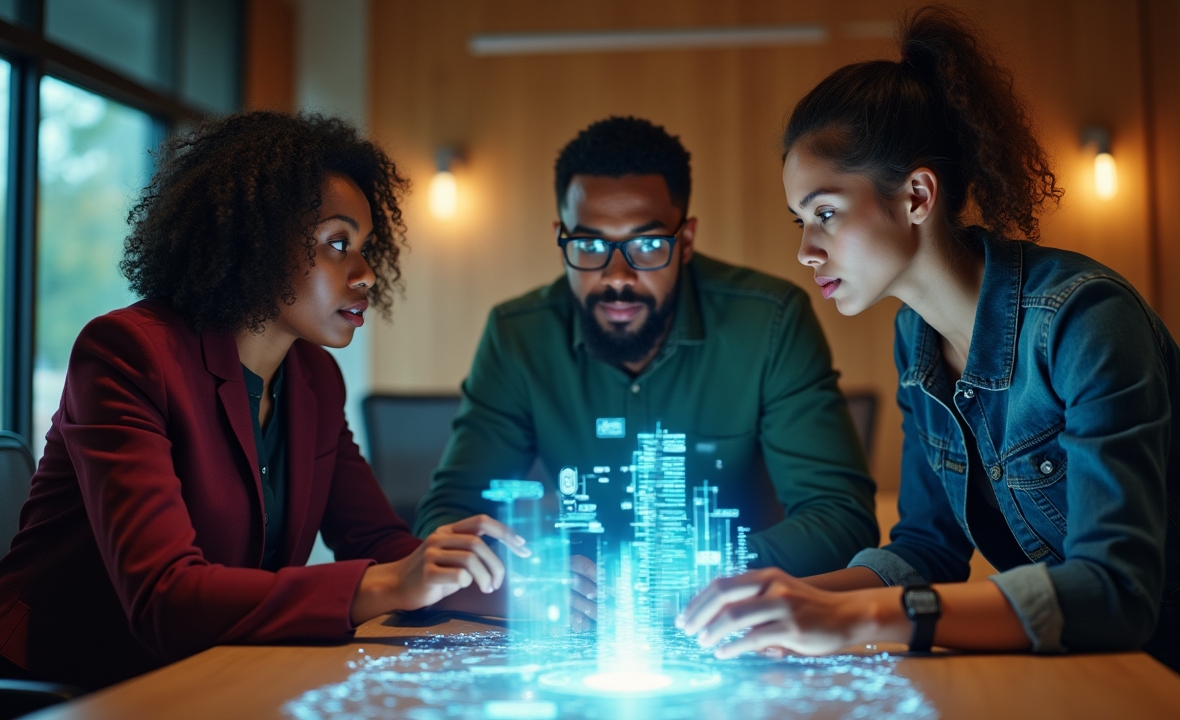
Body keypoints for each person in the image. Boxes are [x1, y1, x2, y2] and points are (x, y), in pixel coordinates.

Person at [677, 7, 1180, 684]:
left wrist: (853, 620)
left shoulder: (1084, 319)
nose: (805, 250)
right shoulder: (916, 336)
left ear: (915, 195)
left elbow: (1115, 592)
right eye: (800, 220)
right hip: (1107, 661)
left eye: (825, 213)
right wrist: (799, 599)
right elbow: (927, 549)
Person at [0, 112, 529, 690]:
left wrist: (518, 590)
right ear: (254, 242)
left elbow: (378, 542)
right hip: (66, 681)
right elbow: (165, 598)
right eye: (337, 243)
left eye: (367, 247)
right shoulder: (129, 352)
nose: (366, 274)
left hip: (215, 671)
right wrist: (389, 583)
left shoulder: (315, 379)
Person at [414, 117, 879, 627]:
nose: (617, 277)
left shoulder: (769, 320)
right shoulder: (516, 335)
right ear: (560, 238)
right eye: (589, 246)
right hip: (570, 626)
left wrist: (707, 572)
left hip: (730, 622)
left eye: (647, 244)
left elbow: (841, 519)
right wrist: (531, 580)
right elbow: (447, 520)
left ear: (685, 241)